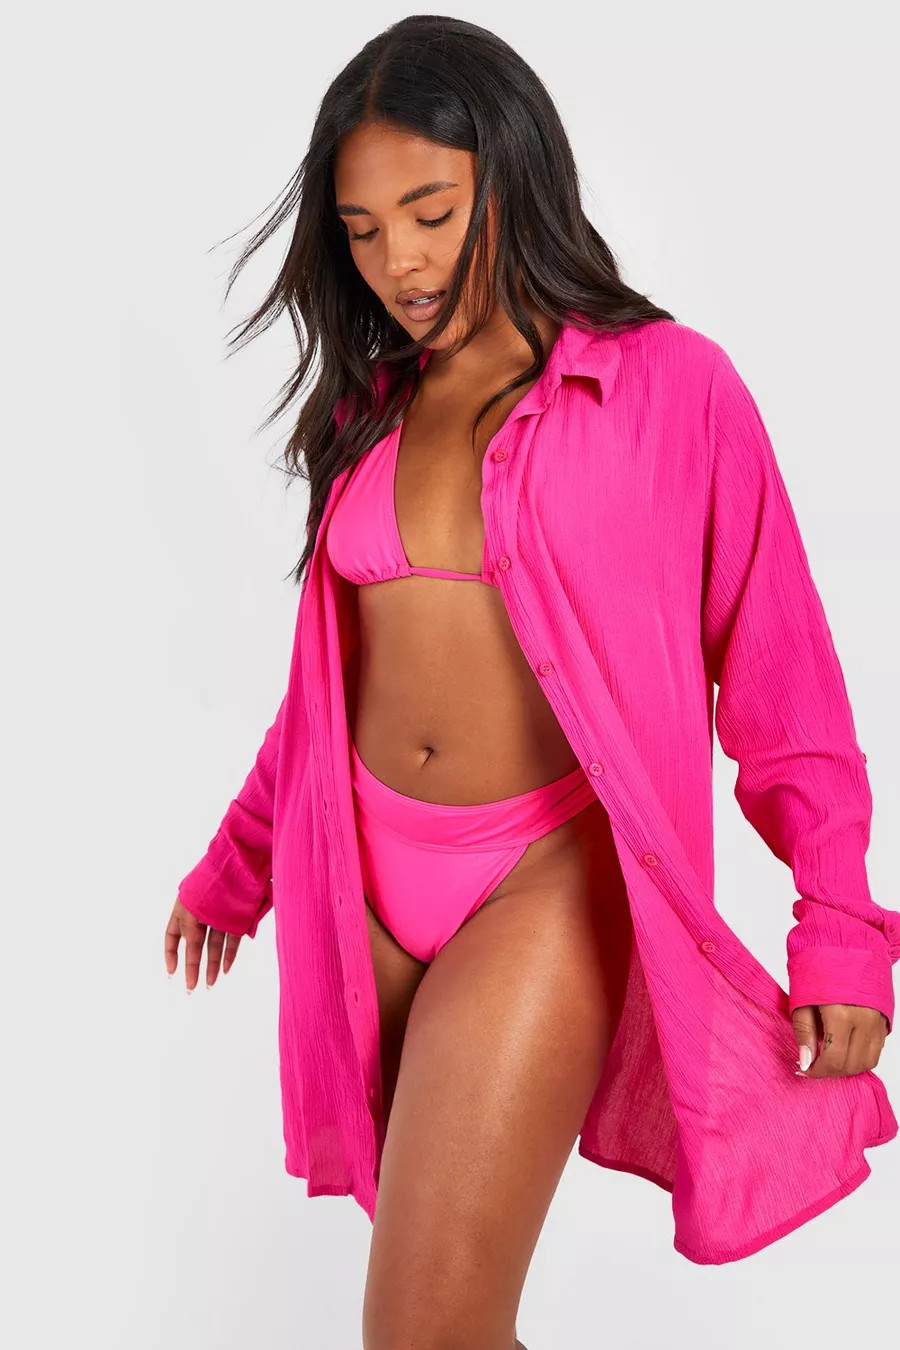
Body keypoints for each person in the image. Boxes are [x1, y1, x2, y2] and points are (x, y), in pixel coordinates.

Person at [163, 13, 899, 1346]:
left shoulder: (672, 389)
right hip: (357, 881)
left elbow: (785, 675)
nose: (398, 261)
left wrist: (839, 924)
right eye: (362, 229)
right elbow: (328, 690)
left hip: (542, 879)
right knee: (452, 1317)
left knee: (423, 1326)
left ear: (515, 172)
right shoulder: (369, 408)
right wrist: (238, 863)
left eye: (431, 213)